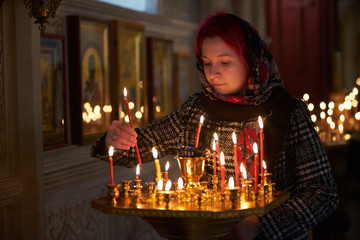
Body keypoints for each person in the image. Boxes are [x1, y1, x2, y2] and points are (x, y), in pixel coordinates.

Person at [91, 10, 338, 240]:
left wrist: (261, 223)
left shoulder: (286, 112)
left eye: (225, 62)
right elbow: (138, 148)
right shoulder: (196, 110)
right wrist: (114, 140)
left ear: (251, 61)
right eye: (207, 63)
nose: (212, 74)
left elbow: (322, 193)